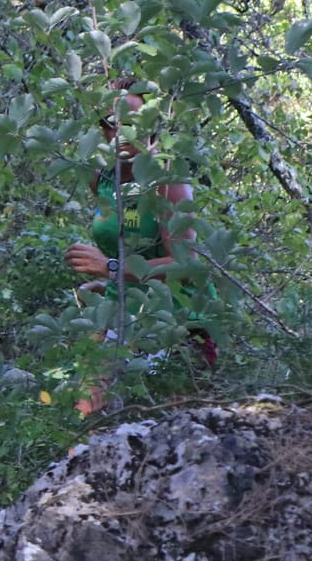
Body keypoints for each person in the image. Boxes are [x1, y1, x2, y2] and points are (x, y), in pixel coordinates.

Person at [62, 85, 216, 415]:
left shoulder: (167, 179)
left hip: (176, 321)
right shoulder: (102, 179)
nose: (122, 130)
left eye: (133, 120)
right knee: (84, 414)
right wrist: (106, 283)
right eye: (112, 121)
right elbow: (126, 242)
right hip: (122, 310)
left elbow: (185, 264)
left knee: (157, 427)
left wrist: (111, 268)